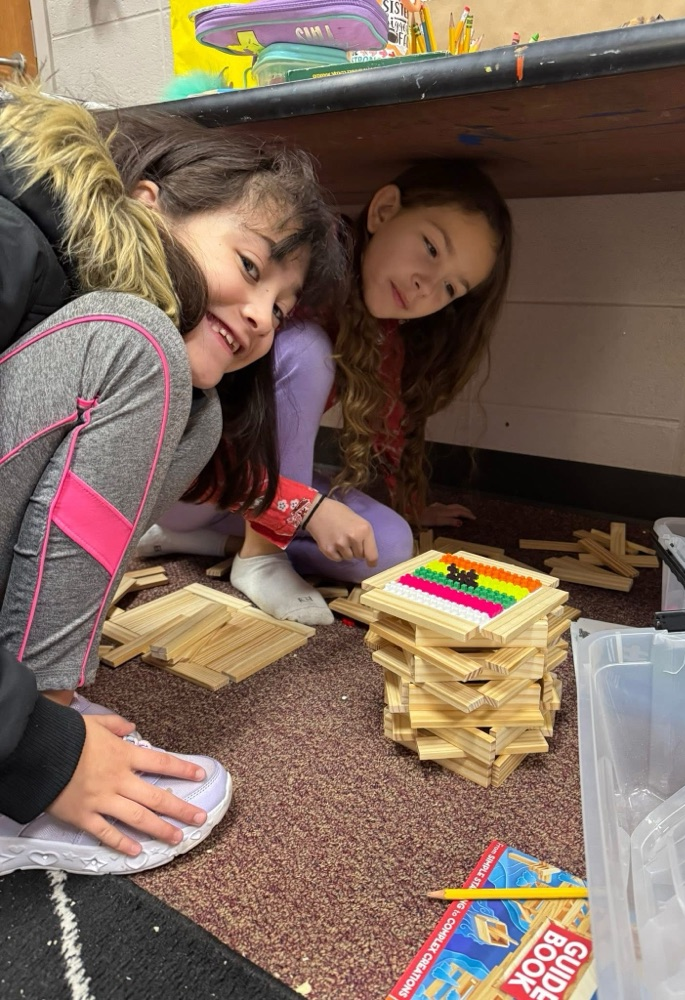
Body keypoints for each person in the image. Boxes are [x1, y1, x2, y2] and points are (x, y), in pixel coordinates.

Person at [0, 84, 346, 874]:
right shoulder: (11, 243)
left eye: (280, 309)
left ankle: (43, 699)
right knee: (136, 345)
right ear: (146, 205)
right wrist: (37, 756)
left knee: (196, 411)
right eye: (249, 267)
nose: (260, 317)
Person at [139, 160, 512, 627]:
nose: (426, 286)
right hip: (191, 482)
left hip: (242, 497)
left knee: (390, 545)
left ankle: (210, 543)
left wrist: (407, 503)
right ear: (384, 210)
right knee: (307, 349)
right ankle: (259, 557)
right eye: (431, 248)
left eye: (451, 288)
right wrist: (307, 508)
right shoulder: (304, 273)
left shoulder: (382, 329)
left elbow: (389, 424)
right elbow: (214, 438)